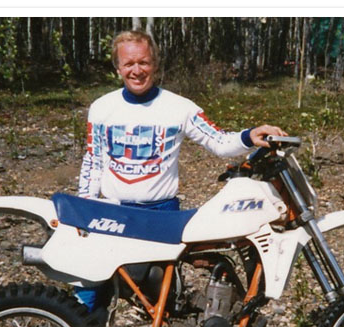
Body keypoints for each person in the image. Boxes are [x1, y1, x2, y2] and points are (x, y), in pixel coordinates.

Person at [75, 30, 287, 310]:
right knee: (92, 280)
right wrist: (85, 207)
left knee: (160, 295)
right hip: (114, 210)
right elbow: (93, 161)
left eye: (144, 62)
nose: (137, 70)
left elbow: (219, 140)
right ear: (118, 68)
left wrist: (250, 135)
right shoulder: (102, 108)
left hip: (162, 213)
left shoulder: (179, 107)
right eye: (128, 64)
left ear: (155, 65)